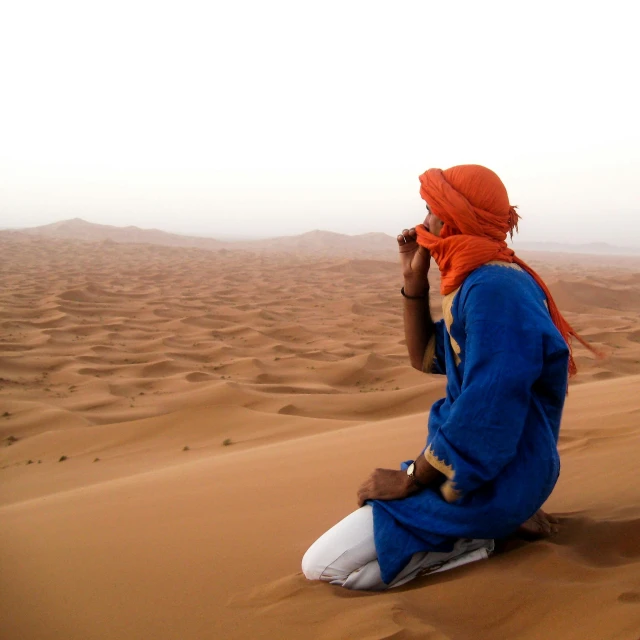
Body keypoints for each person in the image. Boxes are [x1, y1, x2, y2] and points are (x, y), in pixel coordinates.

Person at [302, 164, 595, 591]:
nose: (423, 224)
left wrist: (408, 479)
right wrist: (412, 282)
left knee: (324, 568)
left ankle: (484, 539)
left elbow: (488, 412)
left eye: (431, 211)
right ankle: (489, 526)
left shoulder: (494, 289)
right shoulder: (480, 279)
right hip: (483, 467)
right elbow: (426, 358)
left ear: (454, 219)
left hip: (491, 477)